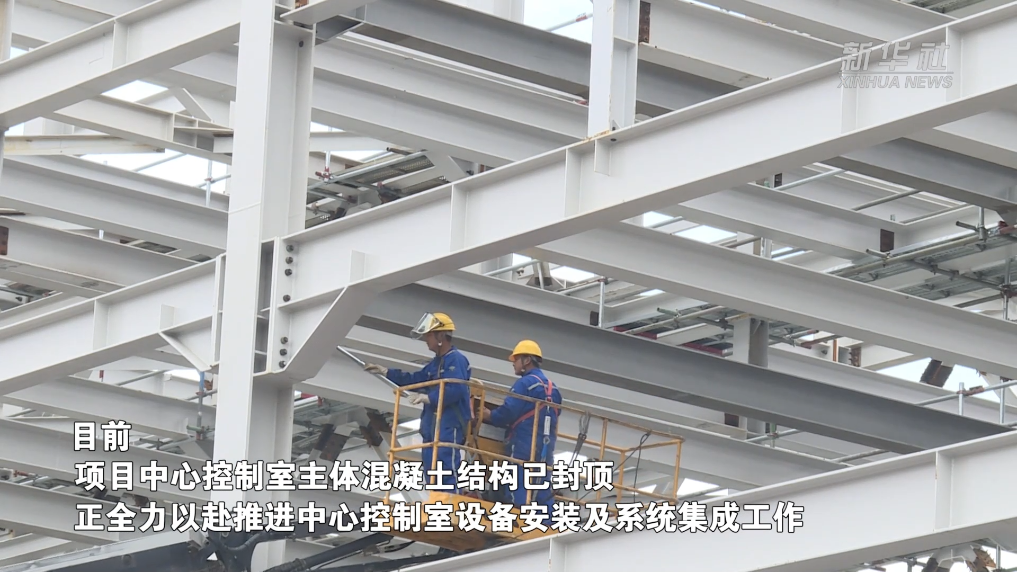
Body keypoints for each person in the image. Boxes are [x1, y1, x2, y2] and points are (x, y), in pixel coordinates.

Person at [363, 312, 473, 490]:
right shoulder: (437, 363)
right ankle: (437, 501)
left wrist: (429, 398)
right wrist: (387, 372)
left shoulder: (456, 359)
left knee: (445, 468)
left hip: (448, 425)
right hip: (433, 427)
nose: (426, 340)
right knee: (431, 471)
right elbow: (416, 379)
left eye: (429, 335)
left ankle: (448, 501)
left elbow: (456, 389)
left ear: (441, 336)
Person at [483, 340, 562, 518]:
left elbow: (508, 412)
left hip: (523, 444)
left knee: (518, 483)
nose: (513, 363)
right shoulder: (554, 389)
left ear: (527, 360)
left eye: (516, 359)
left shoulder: (524, 384)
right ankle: (547, 524)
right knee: (542, 485)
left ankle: (519, 519)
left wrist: (489, 415)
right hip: (545, 448)